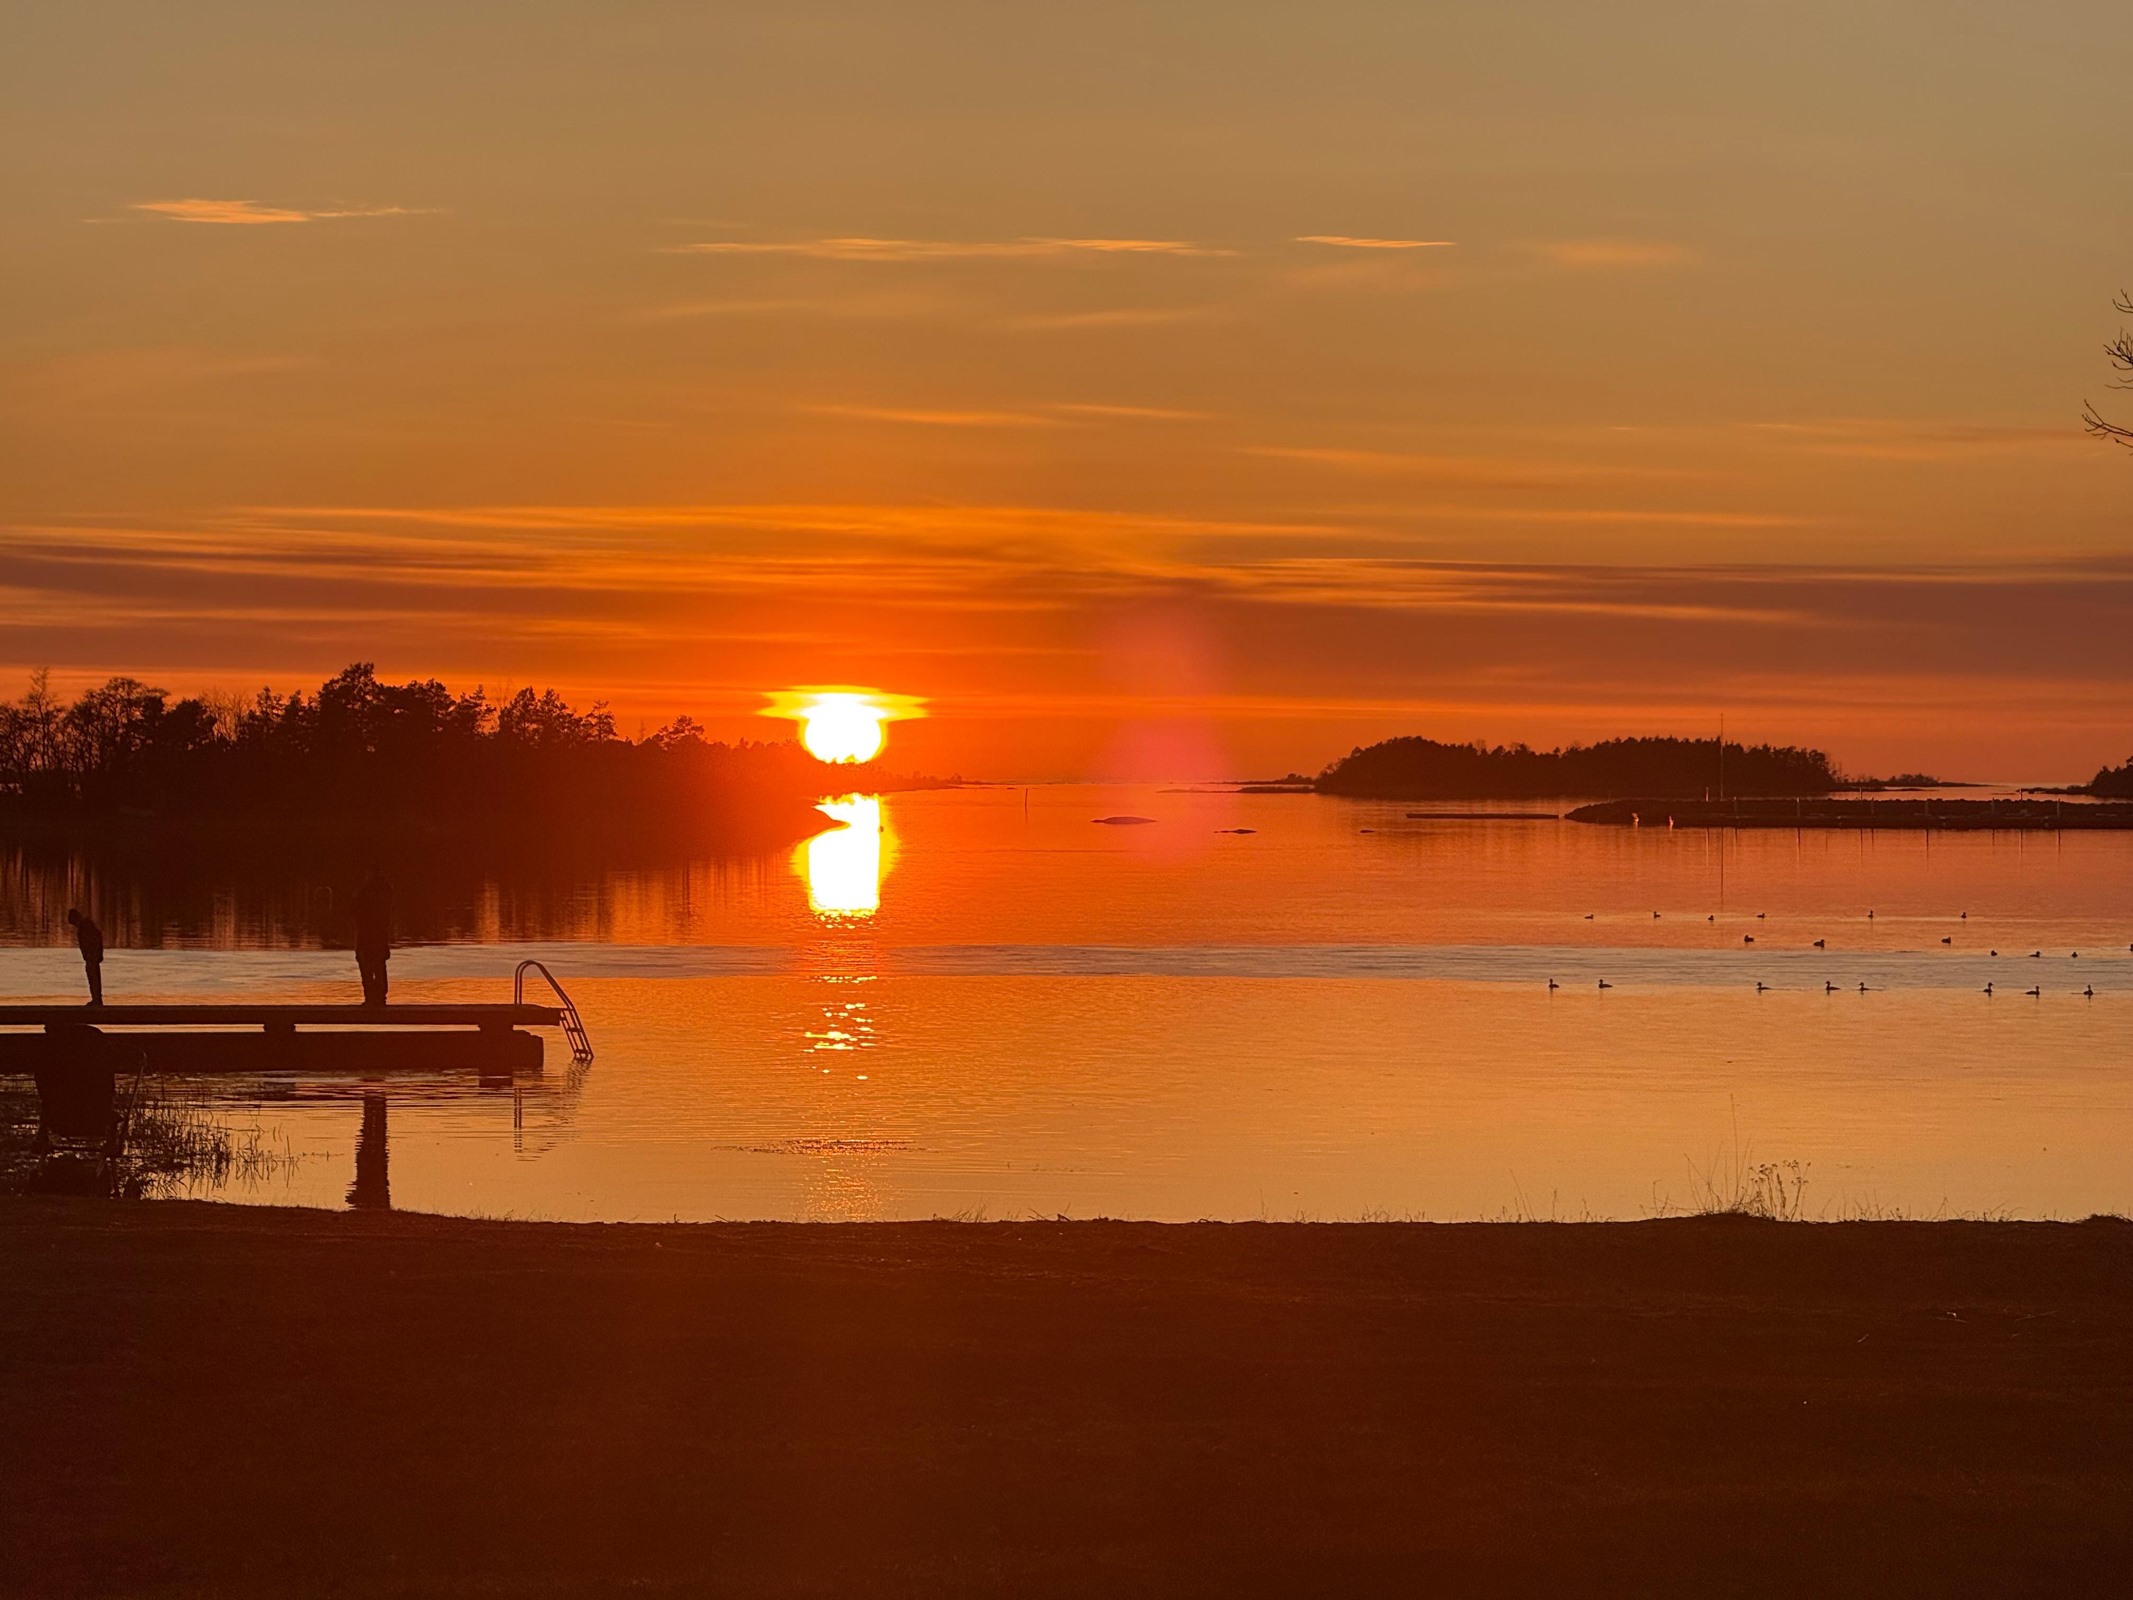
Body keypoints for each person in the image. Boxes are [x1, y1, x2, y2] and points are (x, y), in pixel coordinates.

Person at [351, 866, 392, 1006]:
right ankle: (377, 997)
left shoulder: (368, 891)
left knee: (370, 967)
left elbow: (354, 910)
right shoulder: (384, 890)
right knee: (375, 966)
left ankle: (374, 997)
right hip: (375, 935)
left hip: (370, 936)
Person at [64, 909, 104, 1006]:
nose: (75, 926)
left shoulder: (86, 926)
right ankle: (96, 999)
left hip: (92, 957)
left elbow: (95, 940)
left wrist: (95, 955)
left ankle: (97, 1000)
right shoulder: (86, 926)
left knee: (93, 978)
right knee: (93, 978)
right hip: (91, 957)